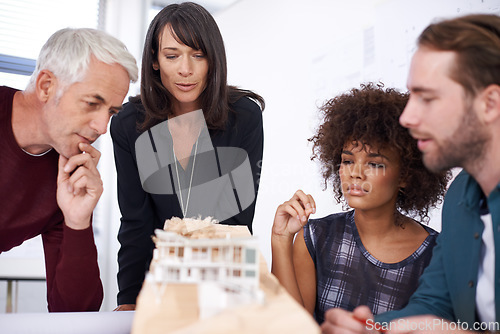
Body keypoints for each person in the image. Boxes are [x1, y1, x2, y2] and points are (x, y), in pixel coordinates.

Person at [321, 14, 500, 334]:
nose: (407, 117)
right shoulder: (459, 196)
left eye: (427, 98)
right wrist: (370, 328)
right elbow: (434, 305)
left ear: (490, 103)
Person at [111, 2, 265, 311]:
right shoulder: (130, 124)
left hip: (223, 280)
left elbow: (234, 220)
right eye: (172, 56)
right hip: (159, 284)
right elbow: (136, 221)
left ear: (213, 60)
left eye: (198, 55)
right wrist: (128, 299)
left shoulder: (243, 116)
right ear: (154, 61)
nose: (186, 69)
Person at [271, 83, 451, 324]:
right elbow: (290, 326)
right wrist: (281, 239)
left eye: (374, 164)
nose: (355, 173)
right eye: (347, 161)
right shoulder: (316, 237)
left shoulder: (435, 255)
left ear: (406, 175)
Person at [0, 28, 138, 312]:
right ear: (46, 86)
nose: (102, 127)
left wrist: (77, 220)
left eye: (112, 112)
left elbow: (75, 313)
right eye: (92, 103)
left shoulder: (67, 176)